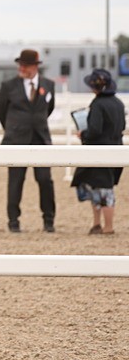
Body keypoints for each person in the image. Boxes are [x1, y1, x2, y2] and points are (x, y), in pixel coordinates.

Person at [0, 48, 56, 233]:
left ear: (35, 66)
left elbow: (49, 108)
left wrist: (36, 124)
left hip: (40, 139)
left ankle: (49, 219)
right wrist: (13, 129)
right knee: (15, 181)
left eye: (25, 65)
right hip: (16, 140)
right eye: (20, 65)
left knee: (45, 180)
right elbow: (0, 110)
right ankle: (13, 220)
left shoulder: (48, 85)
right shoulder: (8, 86)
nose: (21, 68)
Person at [70, 68, 125, 235]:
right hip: (116, 148)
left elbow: (94, 130)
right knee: (104, 187)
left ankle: (106, 226)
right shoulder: (119, 103)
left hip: (99, 150)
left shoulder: (98, 104)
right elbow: (122, 126)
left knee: (101, 188)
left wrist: (83, 134)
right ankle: (100, 225)